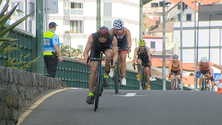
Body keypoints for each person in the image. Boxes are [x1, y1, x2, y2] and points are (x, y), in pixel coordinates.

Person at [83, 26, 118, 104]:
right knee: (93, 70)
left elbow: (116, 54)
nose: (103, 38)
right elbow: (86, 51)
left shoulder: (112, 38)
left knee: (109, 55)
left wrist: (114, 62)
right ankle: (90, 94)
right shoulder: (92, 37)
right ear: (98, 35)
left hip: (107, 48)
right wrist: (86, 60)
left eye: (105, 36)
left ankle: (106, 76)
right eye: (101, 36)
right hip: (95, 49)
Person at [109, 19, 132, 86]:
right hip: (114, 43)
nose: (119, 31)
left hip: (123, 44)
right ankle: (112, 68)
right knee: (111, 53)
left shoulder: (126, 31)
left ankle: (123, 77)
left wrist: (129, 47)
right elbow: (109, 41)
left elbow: (129, 41)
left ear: (123, 28)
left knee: (123, 57)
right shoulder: (112, 31)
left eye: (120, 29)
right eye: (117, 30)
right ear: (114, 29)